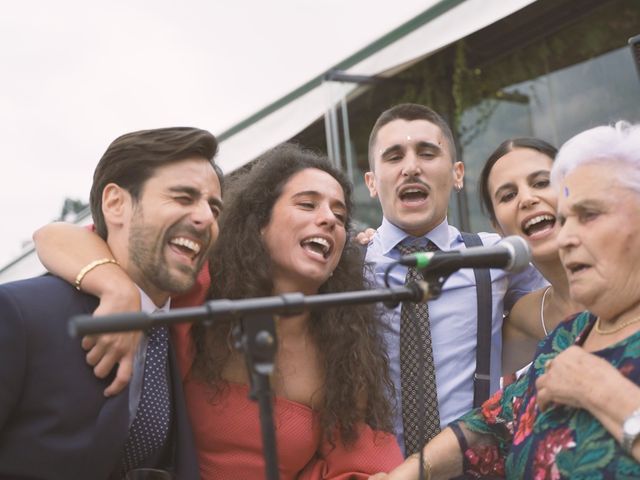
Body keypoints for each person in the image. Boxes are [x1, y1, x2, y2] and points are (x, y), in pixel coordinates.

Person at [32, 143, 403, 479]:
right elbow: (54, 237)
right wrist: (115, 288)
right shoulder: (202, 284)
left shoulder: (344, 347)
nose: (329, 220)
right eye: (307, 204)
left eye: (339, 215)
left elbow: (359, 464)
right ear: (258, 225)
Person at [370, 121, 640, 479]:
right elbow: (496, 424)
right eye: (565, 219)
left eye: (587, 215)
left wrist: (606, 394)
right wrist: (407, 474)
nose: (568, 236)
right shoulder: (567, 337)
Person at [0, 127, 222, 479]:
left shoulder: (190, 325)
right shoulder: (20, 314)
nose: (207, 218)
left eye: (214, 207)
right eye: (183, 197)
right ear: (116, 204)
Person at [363, 103, 547, 454]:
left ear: (457, 173)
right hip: (379, 471)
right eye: (394, 156)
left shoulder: (499, 256)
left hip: (478, 468)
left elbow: (567, 304)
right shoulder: (347, 270)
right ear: (371, 182)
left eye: (427, 153)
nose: (411, 167)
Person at [478, 138, 583, 374]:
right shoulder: (525, 318)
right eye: (507, 196)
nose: (527, 199)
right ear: (497, 227)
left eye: (542, 182)